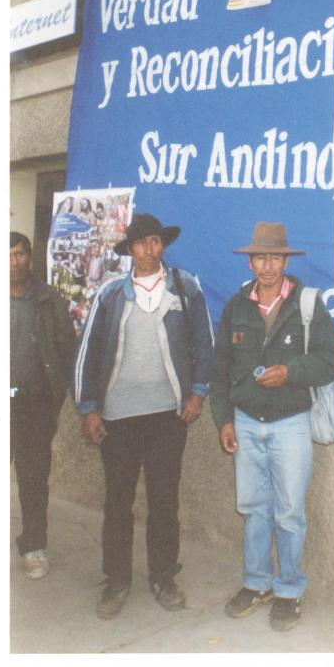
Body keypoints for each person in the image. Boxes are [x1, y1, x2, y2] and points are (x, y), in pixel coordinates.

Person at [73, 213, 214, 619]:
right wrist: (89, 408)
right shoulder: (111, 293)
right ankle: (116, 581)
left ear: (162, 245)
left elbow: (205, 344)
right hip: (117, 418)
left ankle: (163, 577)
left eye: (155, 242)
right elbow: (86, 354)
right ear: (130, 250)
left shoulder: (185, 288)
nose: (150, 250)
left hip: (167, 417)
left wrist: (197, 393)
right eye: (141, 243)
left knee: (164, 501)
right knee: (118, 501)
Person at [210, 222, 334, 632]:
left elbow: (329, 360)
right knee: (253, 510)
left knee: (289, 512)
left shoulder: (307, 304)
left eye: (275, 258)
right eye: (260, 258)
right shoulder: (237, 306)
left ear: (286, 260)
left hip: (290, 424)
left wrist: (291, 371)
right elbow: (220, 369)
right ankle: (255, 583)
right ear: (250, 261)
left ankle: (288, 590)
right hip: (247, 424)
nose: (268, 266)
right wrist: (224, 420)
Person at [10, 231, 75, 580]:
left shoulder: (49, 299)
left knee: (33, 480)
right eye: (6, 255)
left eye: (20, 254)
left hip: (35, 405)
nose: (14, 262)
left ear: (29, 257)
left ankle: (33, 546)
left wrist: (56, 395)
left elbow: (67, 348)